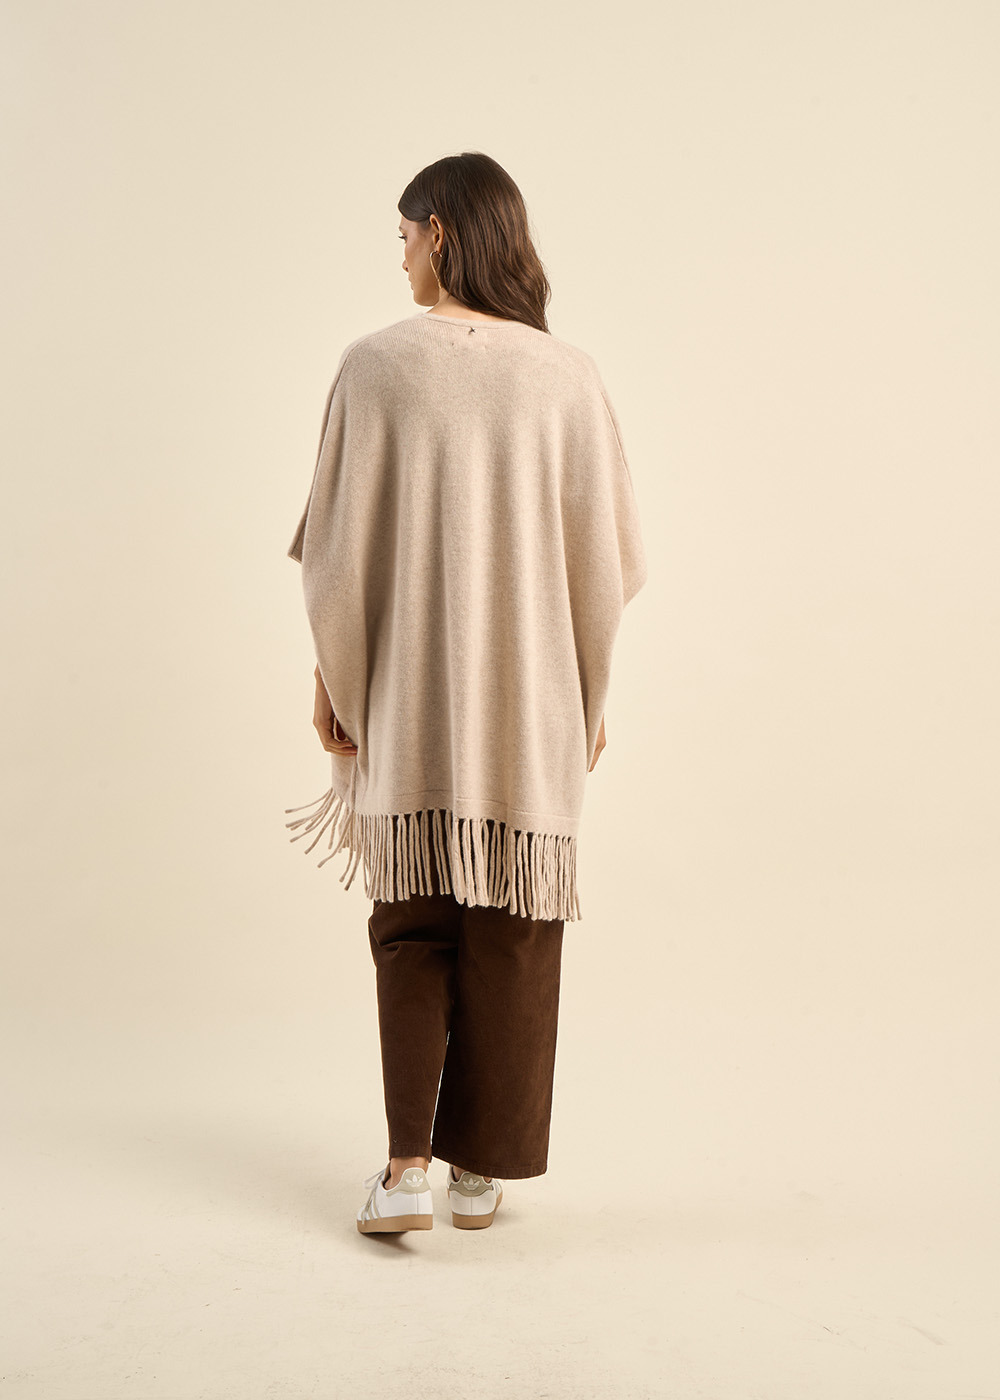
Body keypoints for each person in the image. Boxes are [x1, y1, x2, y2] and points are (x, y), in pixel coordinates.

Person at [283, 152, 647, 1234]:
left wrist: (334, 677)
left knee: (412, 923)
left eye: (403, 237)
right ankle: (479, 1168)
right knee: (514, 924)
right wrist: (585, 697)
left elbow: (336, 556)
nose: (399, 258)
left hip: (411, 699)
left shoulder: (373, 366)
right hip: (530, 703)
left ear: (438, 231)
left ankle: (406, 1170)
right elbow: (604, 562)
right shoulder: (567, 375)